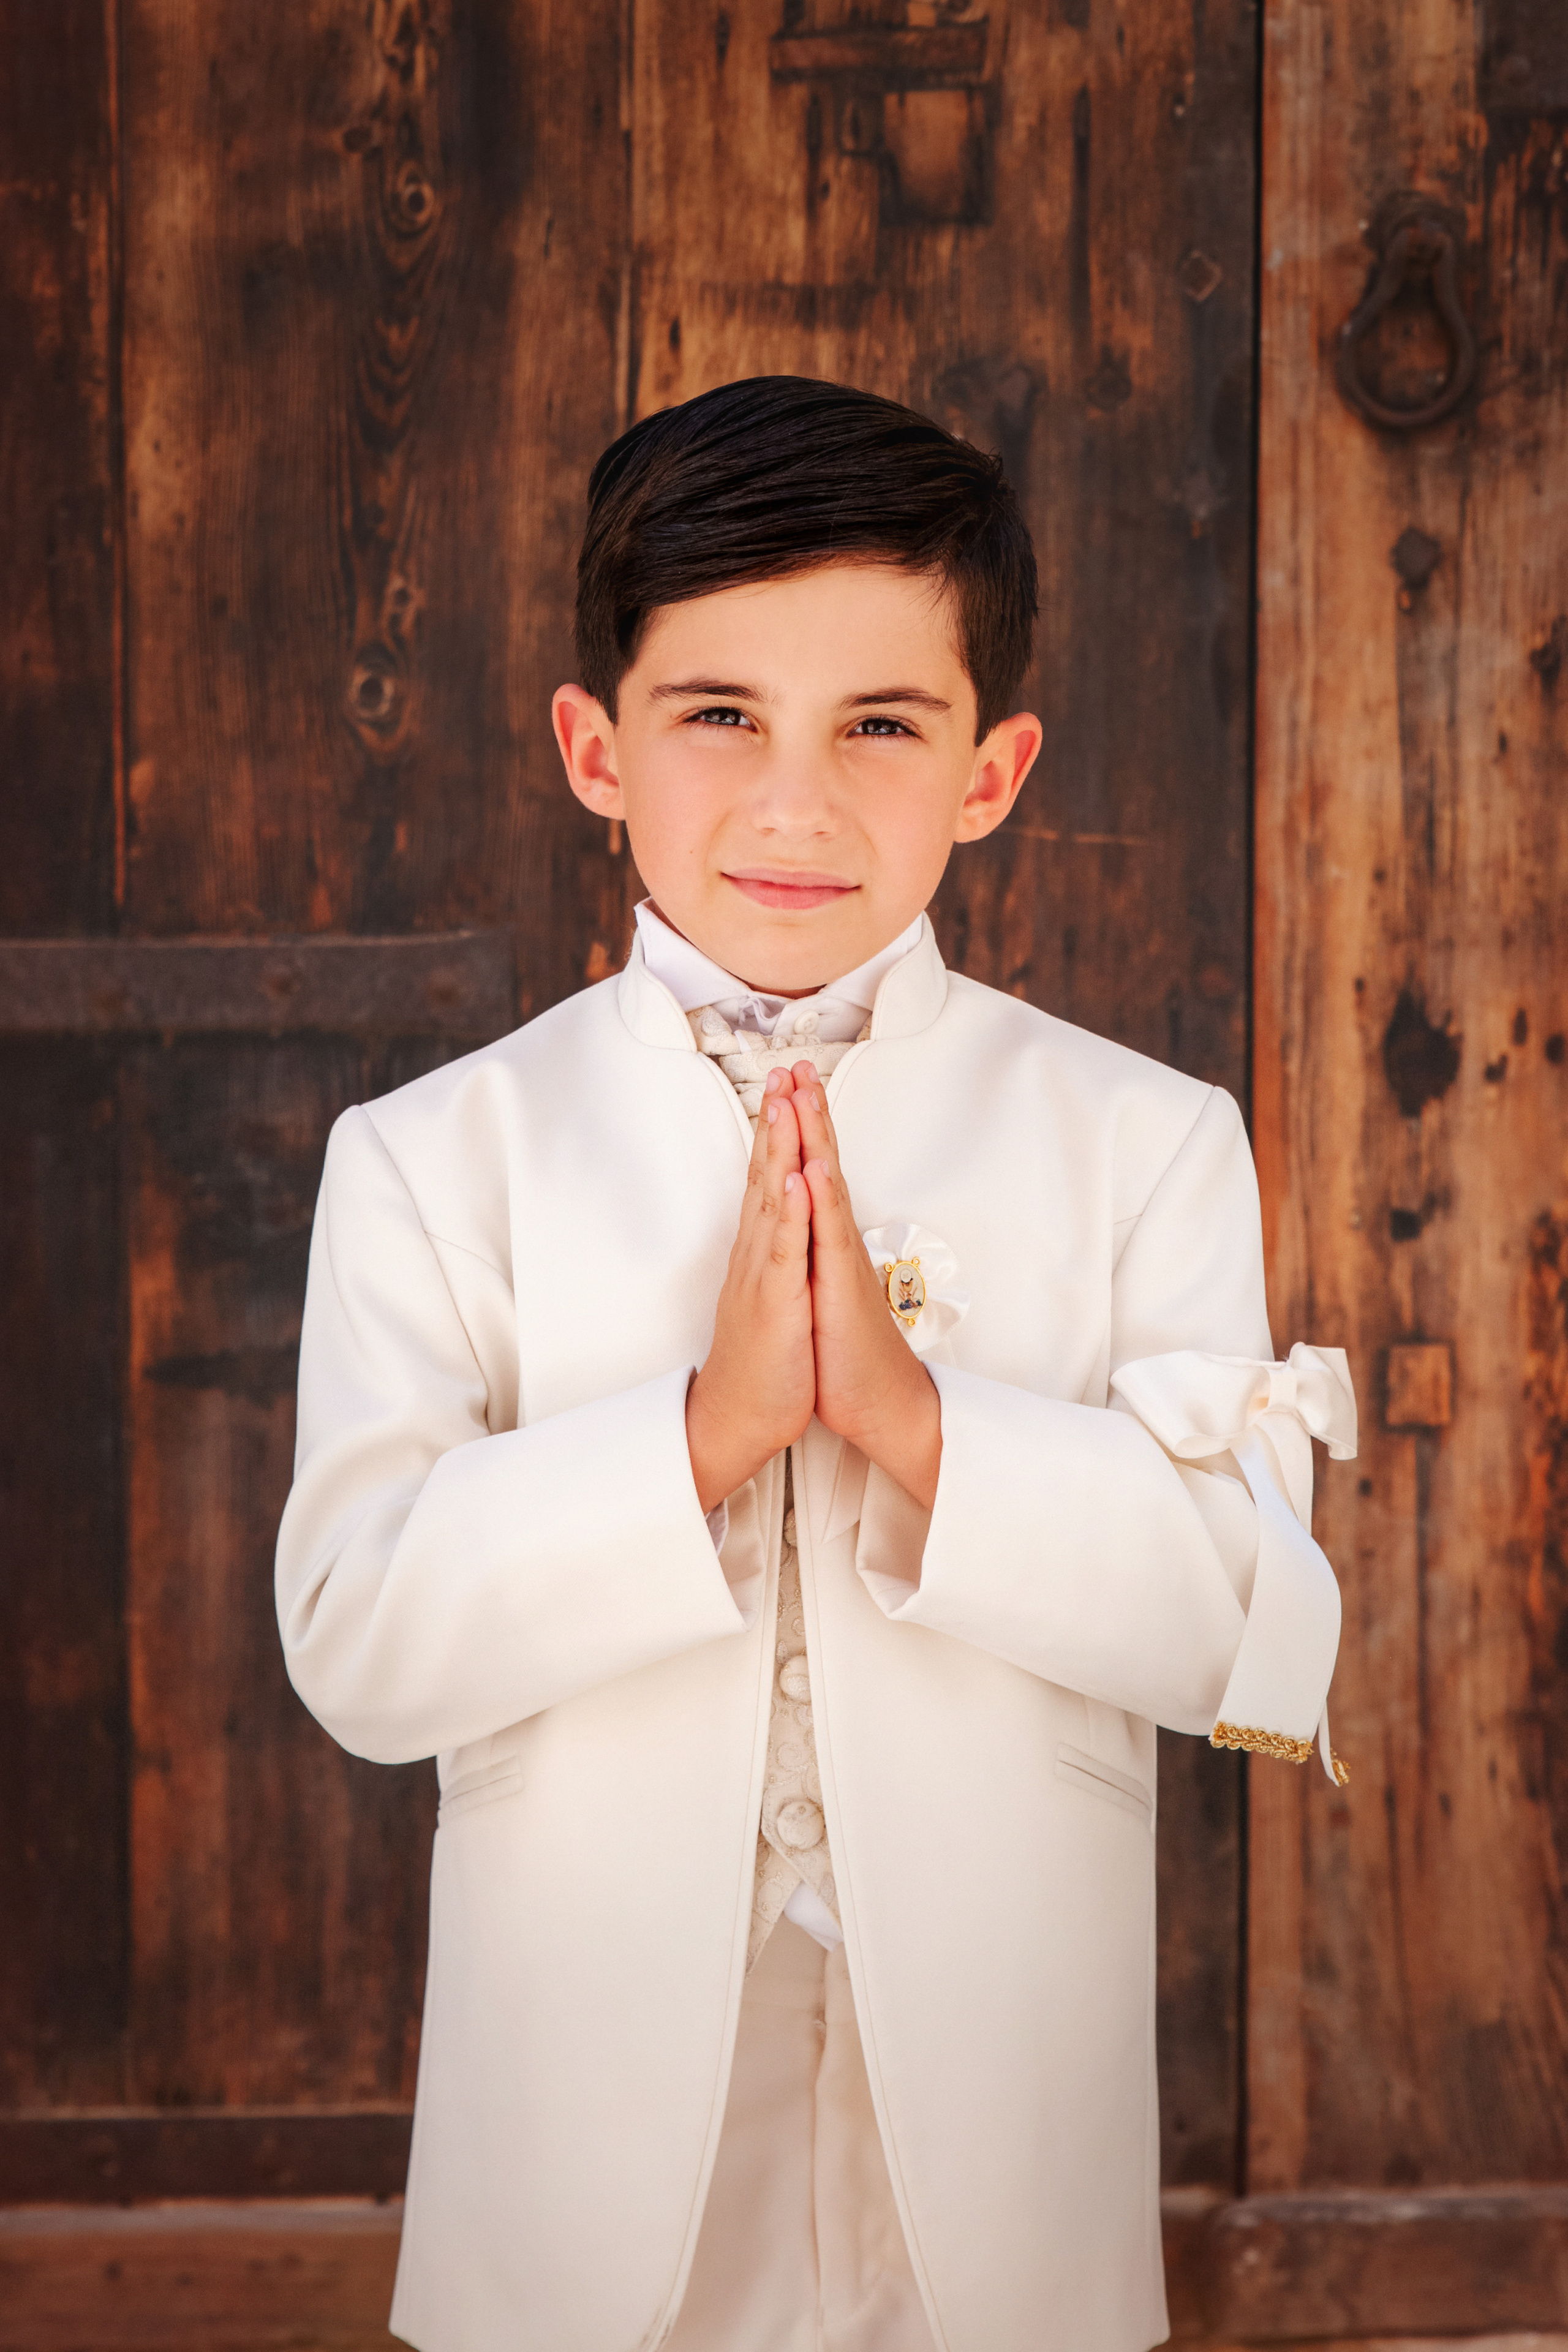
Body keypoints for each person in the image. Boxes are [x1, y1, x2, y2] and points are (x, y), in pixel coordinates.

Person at [275, 376, 1356, 2352]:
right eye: (718, 717)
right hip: (582, 2150)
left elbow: (1256, 1637)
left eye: (881, 723)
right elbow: (356, 1644)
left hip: (997, 2143)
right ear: (595, 750)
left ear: (992, 767)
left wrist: (925, 1429)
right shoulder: (436, 1156)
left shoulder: (1148, 1139)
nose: (795, 802)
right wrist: (705, 1438)